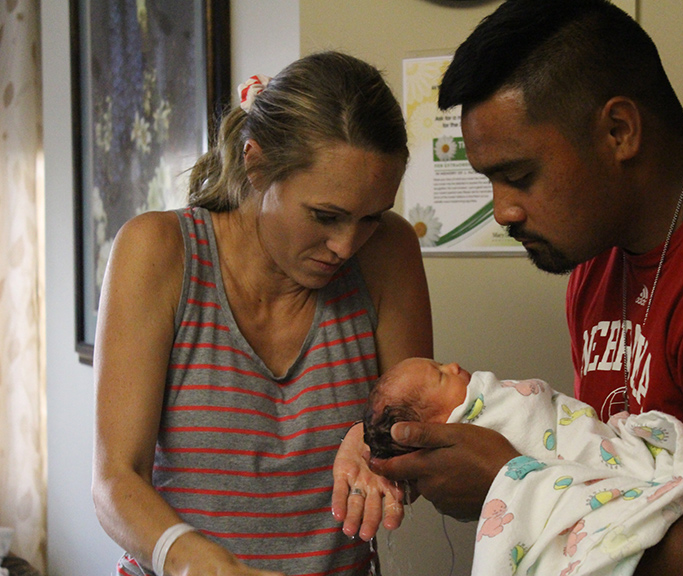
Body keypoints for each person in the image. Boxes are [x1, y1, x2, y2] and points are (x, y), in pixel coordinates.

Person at [369, 1, 683, 575]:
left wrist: (515, 495)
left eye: (519, 176)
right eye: (490, 181)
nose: (502, 211)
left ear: (618, 131)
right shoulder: (597, 260)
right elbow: (615, 470)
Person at [91, 51, 433, 576]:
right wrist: (189, 559)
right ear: (256, 163)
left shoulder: (387, 253)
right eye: (326, 216)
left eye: (370, 217)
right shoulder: (159, 251)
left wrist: (373, 449)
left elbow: (415, 426)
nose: (346, 245)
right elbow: (117, 478)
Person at [364, 357, 683, 575]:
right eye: (439, 375)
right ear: (439, 423)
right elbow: (527, 412)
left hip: (597, 450)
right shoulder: (474, 426)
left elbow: (544, 411)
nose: (452, 366)